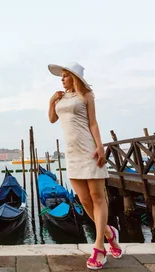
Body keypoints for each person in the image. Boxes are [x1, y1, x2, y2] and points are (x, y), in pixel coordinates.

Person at [47, 62, 123, 270]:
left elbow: (93, 123)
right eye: (61, 76)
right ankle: (109, 234)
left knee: (98, 197)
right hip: (71, 154)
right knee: (84, 200)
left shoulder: (87, 95)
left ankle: (99, 247)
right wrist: (52, 100)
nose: (62, 79)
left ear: (74, 77)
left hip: (88, 150)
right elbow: (52, 119)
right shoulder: (61, 98)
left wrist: (100, 146)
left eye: (65, 76)